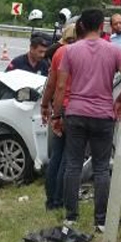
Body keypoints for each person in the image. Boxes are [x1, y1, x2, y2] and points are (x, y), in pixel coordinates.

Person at [52, 8, 121, 232]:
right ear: (102, 27)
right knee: (101, 168)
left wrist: (57, 114)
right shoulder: (114, 50)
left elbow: (60, 86)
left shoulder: (70, 51)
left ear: (81, 26)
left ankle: (71, 217)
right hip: (102, 115)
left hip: (76, 113)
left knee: (73, 165)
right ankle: (100, 220)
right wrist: (119, 102)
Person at [40, 21, 83, 210]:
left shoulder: (58, 53)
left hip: (59, 107)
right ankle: (60, 199)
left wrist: (45, 105)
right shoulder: (81, 53)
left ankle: (51, 199)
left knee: (56, 155)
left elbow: (52, 84)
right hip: (74, 108)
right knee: (69, 157)